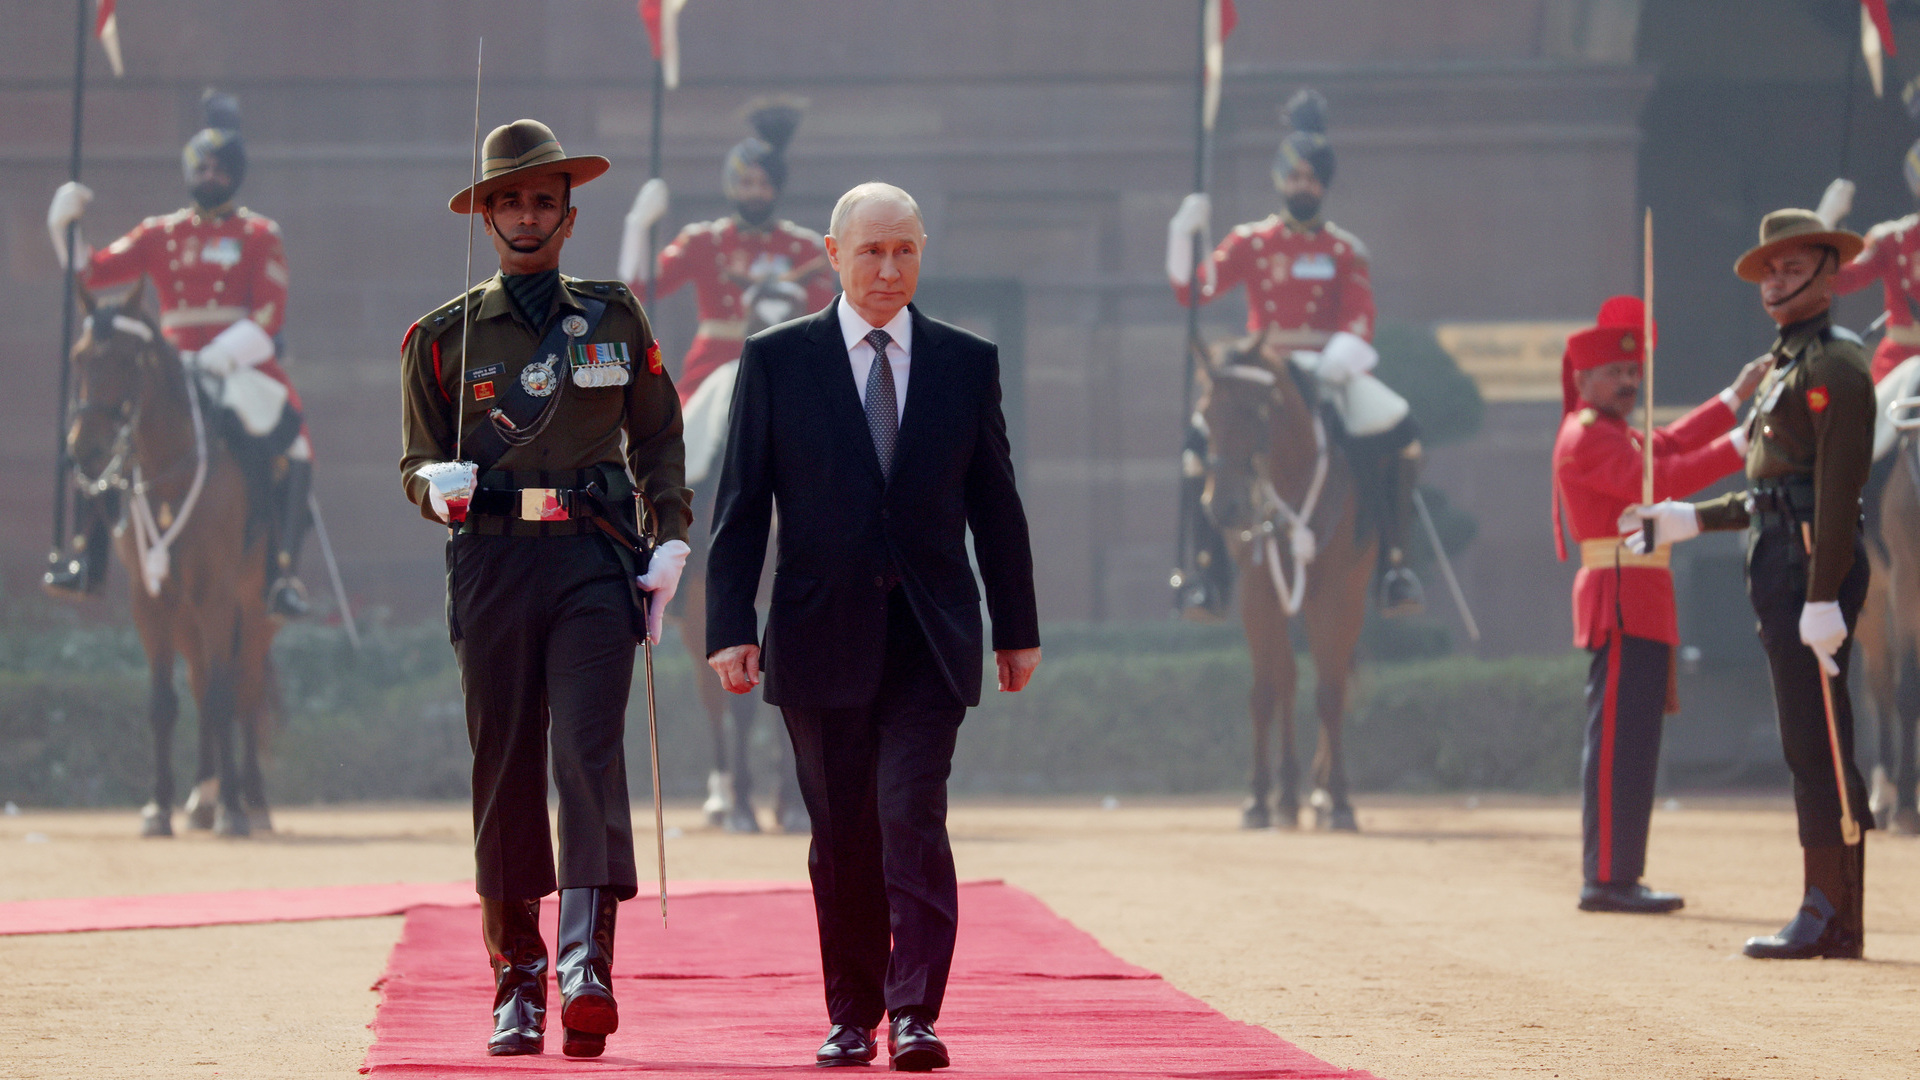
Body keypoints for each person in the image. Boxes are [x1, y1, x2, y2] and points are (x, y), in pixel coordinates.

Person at [705, 183, 1040, 1071]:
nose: (889, 270)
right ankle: (851, 1014)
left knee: (911, 817)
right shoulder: (777, 361)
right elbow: (740, 506)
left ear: (922, 252)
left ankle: (916, 1011)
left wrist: (1018, 627)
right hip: (819, 636)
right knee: (843, 833)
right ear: (832, 253)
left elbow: (997, 506)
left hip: (931, 634)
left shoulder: (967, 363)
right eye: (871, 252)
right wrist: (730, 625)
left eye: (905, 252)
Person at [398, 119, 691, 1056]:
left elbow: (656, 435)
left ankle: (584, 967)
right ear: (487, 215)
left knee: (590, 758)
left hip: (593, 562)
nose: (526, 215)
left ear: (570, 213)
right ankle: (515, 979)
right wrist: (427, 488)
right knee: (507, 762)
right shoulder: (442, 339)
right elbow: (413, 456)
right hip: (491, 563)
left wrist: (672, 535)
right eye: (508, 200)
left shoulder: (615, 318)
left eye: (542, 199)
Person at [1626, 209, 1877, 959]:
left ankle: (1830, 908)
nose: (1775, 280)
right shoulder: (1782, 368)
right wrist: (1687, 520)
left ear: (1828, 274)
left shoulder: (1835, 365)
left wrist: (1826, 592)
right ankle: (1833, 912)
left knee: (1819, 742)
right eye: (1769, 270)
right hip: (1779, 555)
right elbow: (1769, 493)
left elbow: (1834, 492)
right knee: (1811, 741)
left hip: (1809, 562)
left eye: (1792, 266)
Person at [621, 96, 834, 833]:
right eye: (742, 181)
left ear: (776, 186)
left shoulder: (809, 246)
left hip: (782, 369)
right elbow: (640, 289)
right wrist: (636, 229)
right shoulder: (705, 241)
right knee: (683, 444)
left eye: (762, 183)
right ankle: (667, 551)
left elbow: (833, 309)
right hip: (717, 366)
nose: (752, 192)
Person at [46, 89, 315, 616]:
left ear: (235, 174)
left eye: (219, 168)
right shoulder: (159, 233)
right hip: (165, 366)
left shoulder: (259, 235)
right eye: (201, 166)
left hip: (235, 364)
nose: (208, 175)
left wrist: (225, 352)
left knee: (296, 444)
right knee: (97, 429)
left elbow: (267, 316)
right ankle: (87, 558)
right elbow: (94, 272)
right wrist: (65, 225)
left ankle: (281, 573)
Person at [1168, 87, 1424, 616]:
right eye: (1293, 175)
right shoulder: (1251, 242)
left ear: (1323, 184)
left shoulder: (1344, 250)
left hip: (1328, 366)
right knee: (1200, 446)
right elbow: (1193, 293)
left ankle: (1393, 568)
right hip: (1262, 366)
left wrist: (1344, 354)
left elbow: (1360, 315)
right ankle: (1206, 576)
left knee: (1400, 435)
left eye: (1310, 177)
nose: (1300, 185)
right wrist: (1180, 233)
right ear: (1279, 179)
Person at [1552, 296, 1764, 913]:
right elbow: (1662, 479)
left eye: (1631, 373)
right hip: (1619, 598)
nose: (1627, 382)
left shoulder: (1612, 433)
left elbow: (1667, 443)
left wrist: (1733, 398)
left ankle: (1620, 874)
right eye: (1615, 374)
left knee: (1633, 744)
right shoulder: (1587, 437)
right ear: (1584, 380)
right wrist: (1742, 442)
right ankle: (1608, 879)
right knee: (1620, 745)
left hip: (1637, 597)